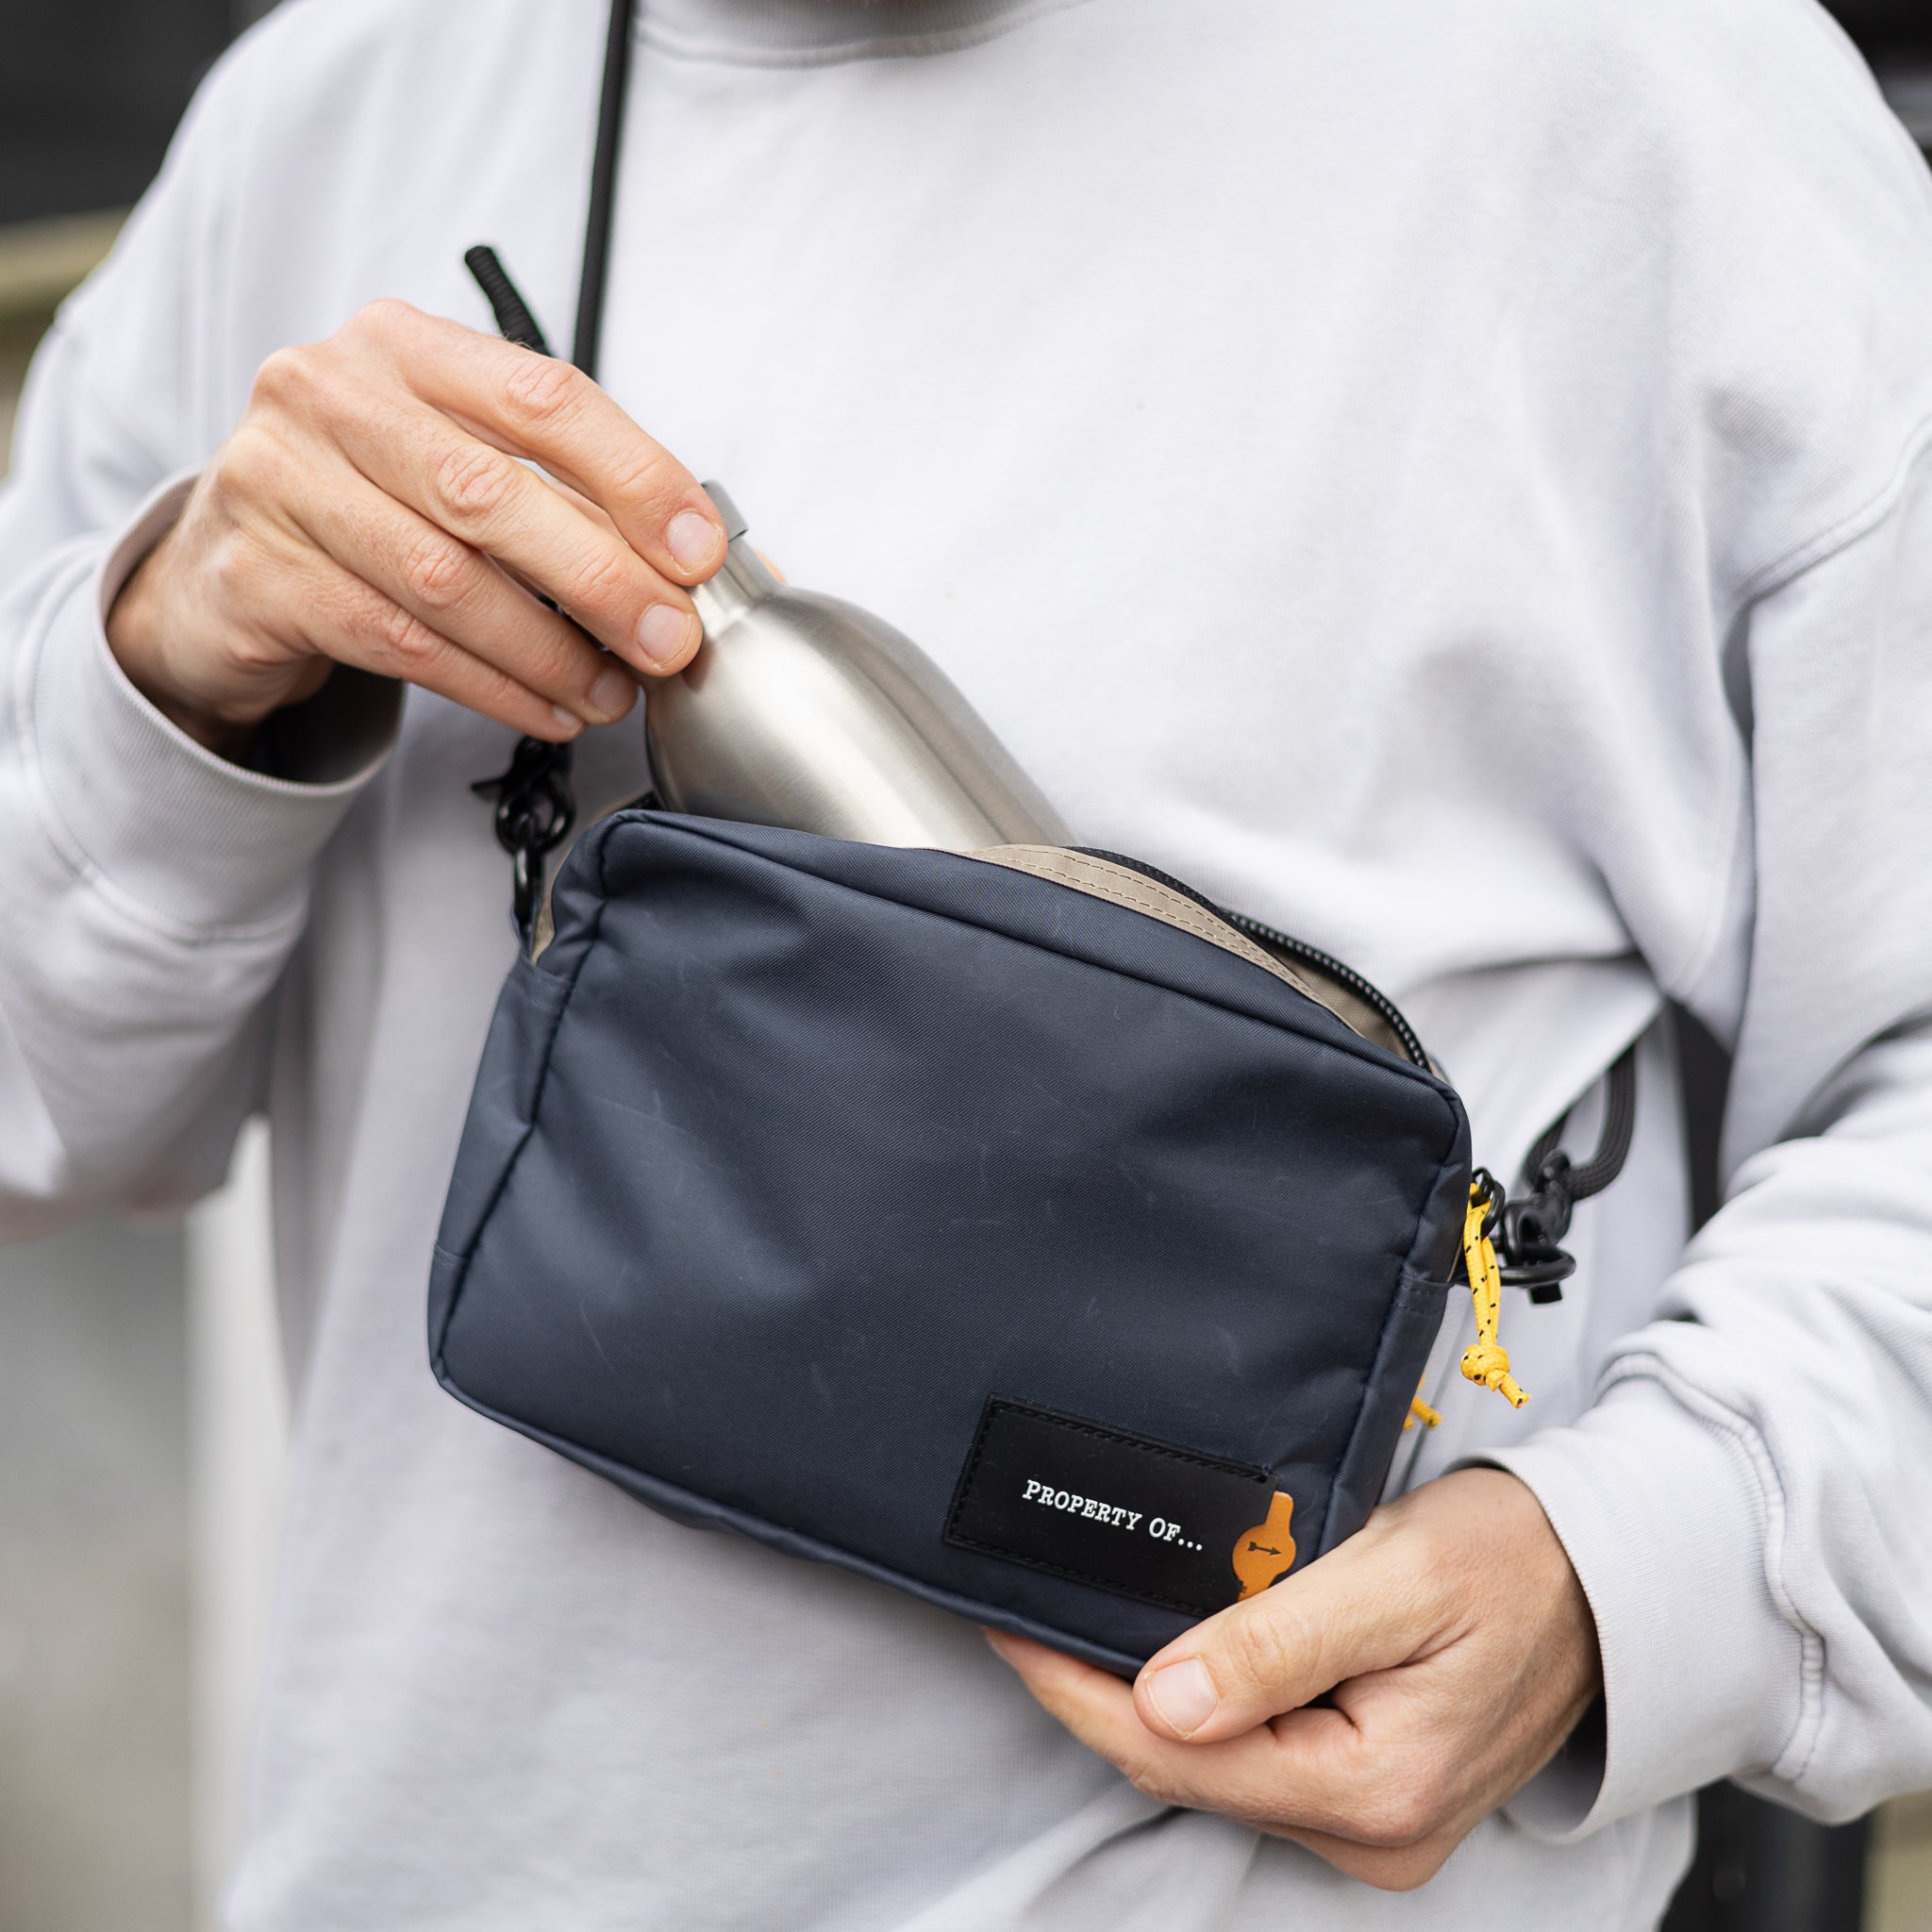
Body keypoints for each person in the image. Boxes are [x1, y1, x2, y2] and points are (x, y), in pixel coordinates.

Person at [4, 0, 1931, 1924]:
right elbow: (42, 1112)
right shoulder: (330, 110)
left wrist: (1614, 1579)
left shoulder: (1649, 105)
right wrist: (169, 660)